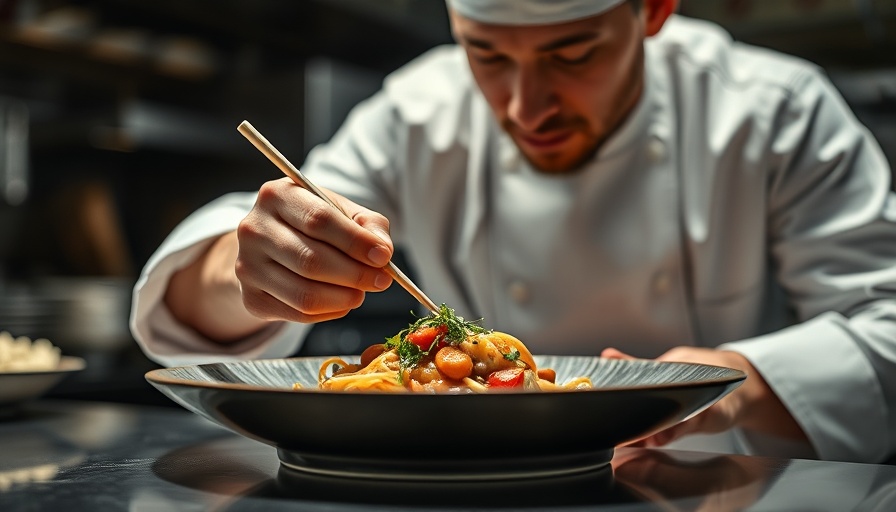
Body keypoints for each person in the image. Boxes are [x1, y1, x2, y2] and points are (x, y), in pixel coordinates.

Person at [130, 0, 896, 464]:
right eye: (486, 54)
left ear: (653, 12)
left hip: (708, 486)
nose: (527, 106)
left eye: (573, 54)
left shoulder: (775, 109)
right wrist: (251, 267)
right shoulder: (418, 111)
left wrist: (730, 385)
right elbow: (206, 298)